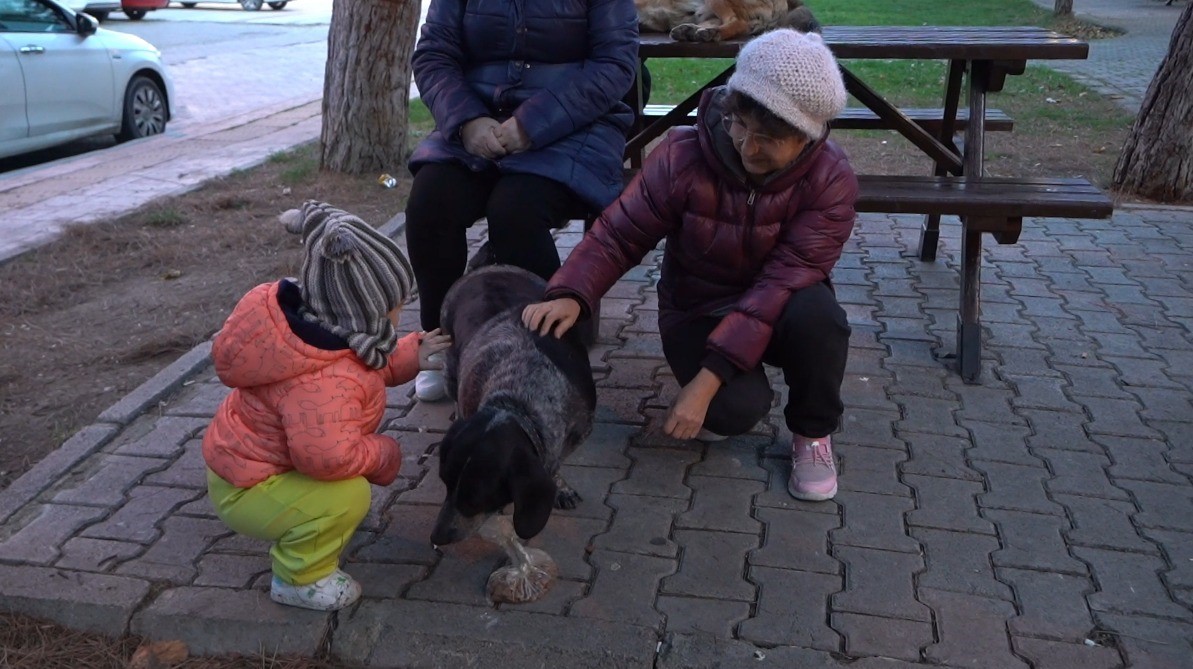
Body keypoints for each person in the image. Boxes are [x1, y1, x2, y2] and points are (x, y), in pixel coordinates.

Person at [522, 29, 857, 502]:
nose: (748, 147)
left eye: (769, 138)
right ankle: (730, 391)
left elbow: (779, 285)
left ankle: (813, 434)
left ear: (806, 137)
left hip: (779, 301)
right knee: (734, 412)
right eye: (740, 124)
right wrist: (572, 291)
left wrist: (705, 380)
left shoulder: (830, 179)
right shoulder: (683, 154)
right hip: (698, 305)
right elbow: (621, 232)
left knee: (820, 318)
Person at [201, 200, 452, 611]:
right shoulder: (324, 383)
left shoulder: (322, 329)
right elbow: (328, 456)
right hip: (250, 488)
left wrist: (412, 354)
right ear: (368, 311)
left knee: (341, 481)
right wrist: (383, 455)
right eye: (396, 307)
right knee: (348, 495)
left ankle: (311, 521)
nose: (399, 314)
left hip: (248, 465)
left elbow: (365, 363)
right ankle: (300, 578)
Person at [403, 0, 640, 402]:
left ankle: (554, 352)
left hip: (574, 127)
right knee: (430, 202)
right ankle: (441, 343)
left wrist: (532, 124)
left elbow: (615, 65)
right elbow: (434, 54)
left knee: (515, 210)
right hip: (477, 123)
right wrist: (465, 121)